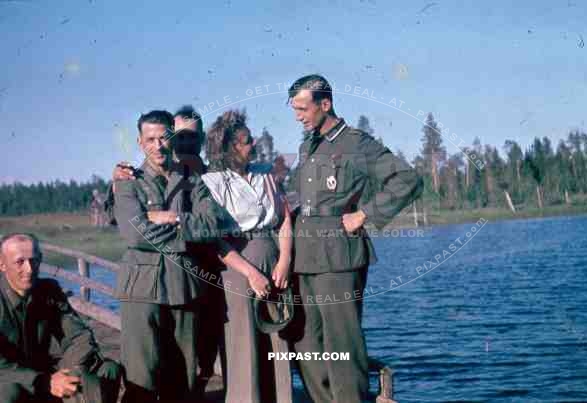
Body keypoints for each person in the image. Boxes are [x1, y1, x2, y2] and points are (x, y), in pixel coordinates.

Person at [112, 110, 270, 402]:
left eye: (164, 138)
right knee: (140, 378)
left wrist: (171, 218)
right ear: (139, 142)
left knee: (182, 379)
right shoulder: (126, 181)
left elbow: (211, 225)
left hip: (183, 287)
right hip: (141, 291)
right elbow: (135, 234)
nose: (158, 146)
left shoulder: (193, 180)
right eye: (150, 139)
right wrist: (183, 229)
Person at [287, 74, 424, 403]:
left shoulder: (356, 143)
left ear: (325, 104)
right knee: (306, 342)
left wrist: (363, 215)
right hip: (303, 256)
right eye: (294, 109)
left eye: (303, 108)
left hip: (339, 256)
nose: (298, 116)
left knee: (341, 342)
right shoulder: (308, 145)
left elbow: (408, 179)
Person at [201, 109, 293, 403]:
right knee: (244, 345)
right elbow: (215, 239)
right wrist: (251, 274)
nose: (252, 144)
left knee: (277, 341)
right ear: (229, 149)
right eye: (245, 141)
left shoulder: (265, 175)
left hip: (274, 262)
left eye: (251, 139)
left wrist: (285, 261)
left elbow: (284, 218)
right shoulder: (212, 183)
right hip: (237, 270)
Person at [0, 233, 122, 403]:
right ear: (2, 265)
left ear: (40, 259)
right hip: (12, 378)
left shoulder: (49, 290)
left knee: (107, 369)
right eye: (20, 262)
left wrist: (71, 372)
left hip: (44, 371)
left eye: (34, 260)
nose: (29, 269)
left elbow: (78, 337)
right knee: (7, 391)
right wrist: (45, 381)